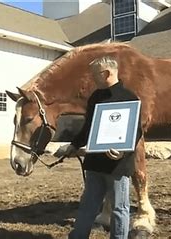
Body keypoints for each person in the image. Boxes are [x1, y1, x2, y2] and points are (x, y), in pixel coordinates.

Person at [54, 56, 142, 239]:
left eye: (95, 75)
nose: (92, 78)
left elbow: (136, 132)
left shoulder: (129, 98)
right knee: (88, 204)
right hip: (95, 162)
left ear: (107, 73)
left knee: (119, 207)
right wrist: (74, 145)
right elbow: (88, 127)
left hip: (117, 165)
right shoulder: (95, 97)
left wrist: (123, 152)